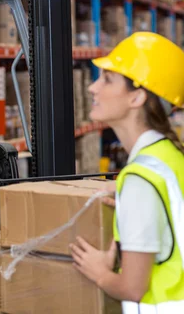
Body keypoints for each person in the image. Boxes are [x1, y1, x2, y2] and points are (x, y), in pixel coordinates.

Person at [69, 32, 184, 312]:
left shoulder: (140, 179)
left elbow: (133, 287)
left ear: (137, 98)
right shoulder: (169, 156)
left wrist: (99, 272)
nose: (93, 88)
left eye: (107, 79)